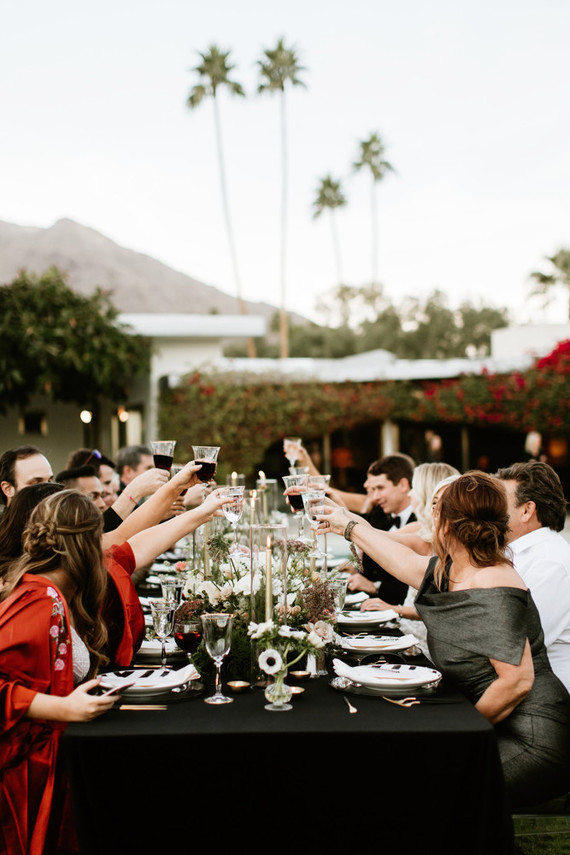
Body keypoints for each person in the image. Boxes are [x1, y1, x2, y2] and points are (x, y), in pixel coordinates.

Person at [318, 471, 570, 808]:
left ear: (445, 526)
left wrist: (459, 732)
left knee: (420, 788)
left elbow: (517, 681)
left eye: (435, 513)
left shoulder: (496, 582)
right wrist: (345, 525)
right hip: (494, 722)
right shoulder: (455, 570)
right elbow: (403, 561)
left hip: (532, 739)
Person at [0, 490, 118, 855]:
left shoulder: (53, 592)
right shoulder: (39, 600)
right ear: (85, 543)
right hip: (24, 775)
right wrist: (62, 709)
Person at [496, 460, 570, 692]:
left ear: (527, 510)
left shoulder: (551, 563)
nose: (490, 509)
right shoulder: (513, 552)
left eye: (498, 502)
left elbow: (517, 644)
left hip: (545, 698)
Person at [346, 454, 416, 603]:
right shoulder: (380, 514)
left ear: (403, 485)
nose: (375, 497)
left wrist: (375, 586)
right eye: (373, 489)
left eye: (380, 488)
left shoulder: (420, 521)